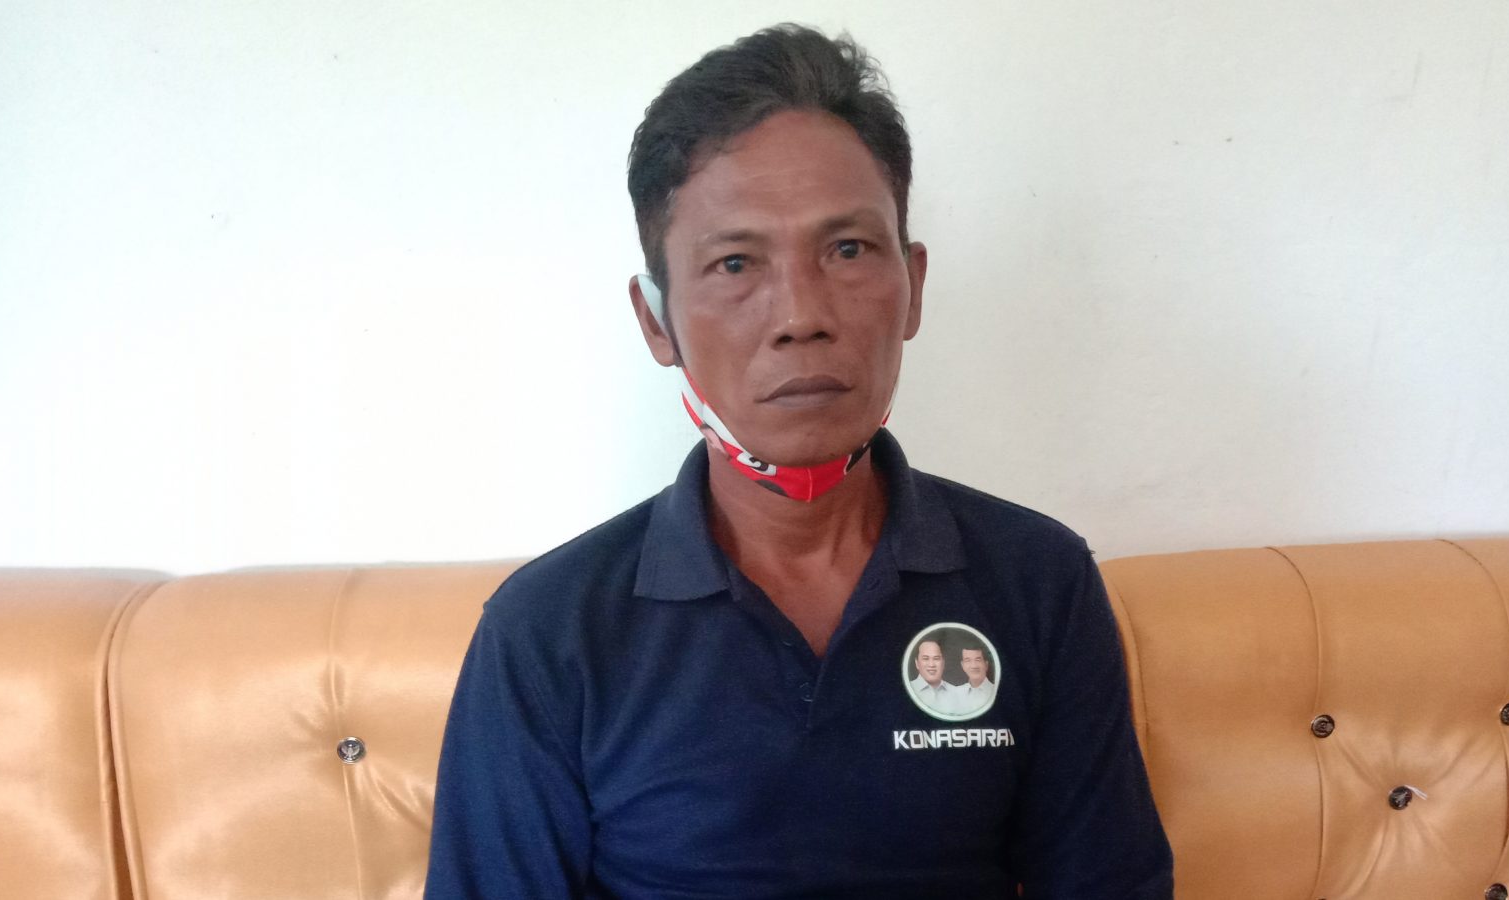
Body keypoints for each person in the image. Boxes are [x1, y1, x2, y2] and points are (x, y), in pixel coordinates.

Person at [426, 23, 1172, 898]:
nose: (800, 316)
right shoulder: (549, 631)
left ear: (913, 285)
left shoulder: (1040, 581)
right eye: (735, 262)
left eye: (847, 249)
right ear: (656, 321)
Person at [908, 637, 958, 714]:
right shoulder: (908, 689)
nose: (931, 664)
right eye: (925, 658)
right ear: (917, 663)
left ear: (943, 663)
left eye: (936, 658)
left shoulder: (956, 693)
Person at [954, 642, 996, 715]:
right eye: (968, 660)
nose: (973, 666)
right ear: (962, 665)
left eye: (978, 660)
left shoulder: (995, 692)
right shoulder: (955, 693)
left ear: (986, 665)